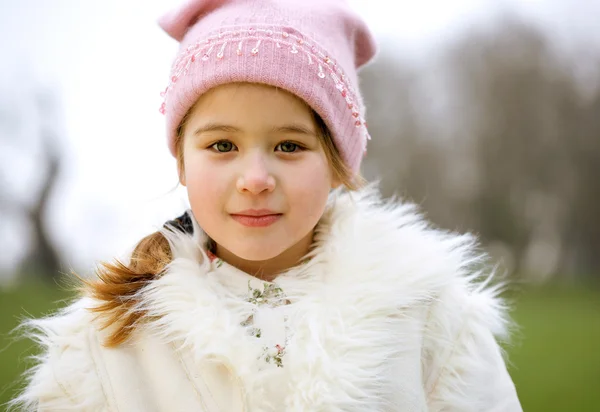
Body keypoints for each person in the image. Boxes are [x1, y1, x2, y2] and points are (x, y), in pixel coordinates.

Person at [11, 0, 522, 411]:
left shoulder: (432, 325)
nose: (255, 179)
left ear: (339, 164)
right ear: (182, 163)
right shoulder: (105, 349)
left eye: (289, 146)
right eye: (222, 146)